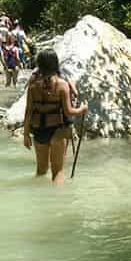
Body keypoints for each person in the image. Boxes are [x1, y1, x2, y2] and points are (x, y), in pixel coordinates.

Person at [22, 49, 87, 183]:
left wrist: (26, 134)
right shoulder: (62, 85)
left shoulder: (33, 86)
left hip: (38, 130)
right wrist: (82, 109)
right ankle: (58, 201)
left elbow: (28, 111)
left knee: (41, 171)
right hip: (58, 130)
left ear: (39, 64)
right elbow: (69, 111)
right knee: (58, 172)